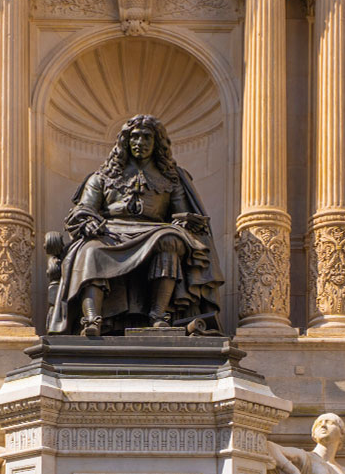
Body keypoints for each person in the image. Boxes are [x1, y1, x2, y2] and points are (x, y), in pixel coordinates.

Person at [44, 114, 223, 336]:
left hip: (155, 231)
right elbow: (83, 209)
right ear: (126, 141)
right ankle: (91, 320)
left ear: (157, 142)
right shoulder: (102, 176)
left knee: (170, 240)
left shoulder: (172, 178)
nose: (140, 143)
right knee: (90, 250)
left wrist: (186, 221)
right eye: (135, 137)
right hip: (111, 232)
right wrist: (88, 222)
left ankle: (158, 316)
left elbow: (182, 213)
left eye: (147, 137)